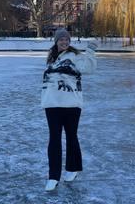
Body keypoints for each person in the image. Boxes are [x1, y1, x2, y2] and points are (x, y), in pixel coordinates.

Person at [41, 28, 98, 191]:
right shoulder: (51, 56)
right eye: (61, 39)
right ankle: (53, 177)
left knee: (71, 136)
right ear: (56, 41)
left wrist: (91, 51)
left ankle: (72, 169)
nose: (64, 42)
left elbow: (89, 69)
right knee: (54, 139)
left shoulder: (75, 56)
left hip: (71, 104)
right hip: (52, 104)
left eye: (66, 39)